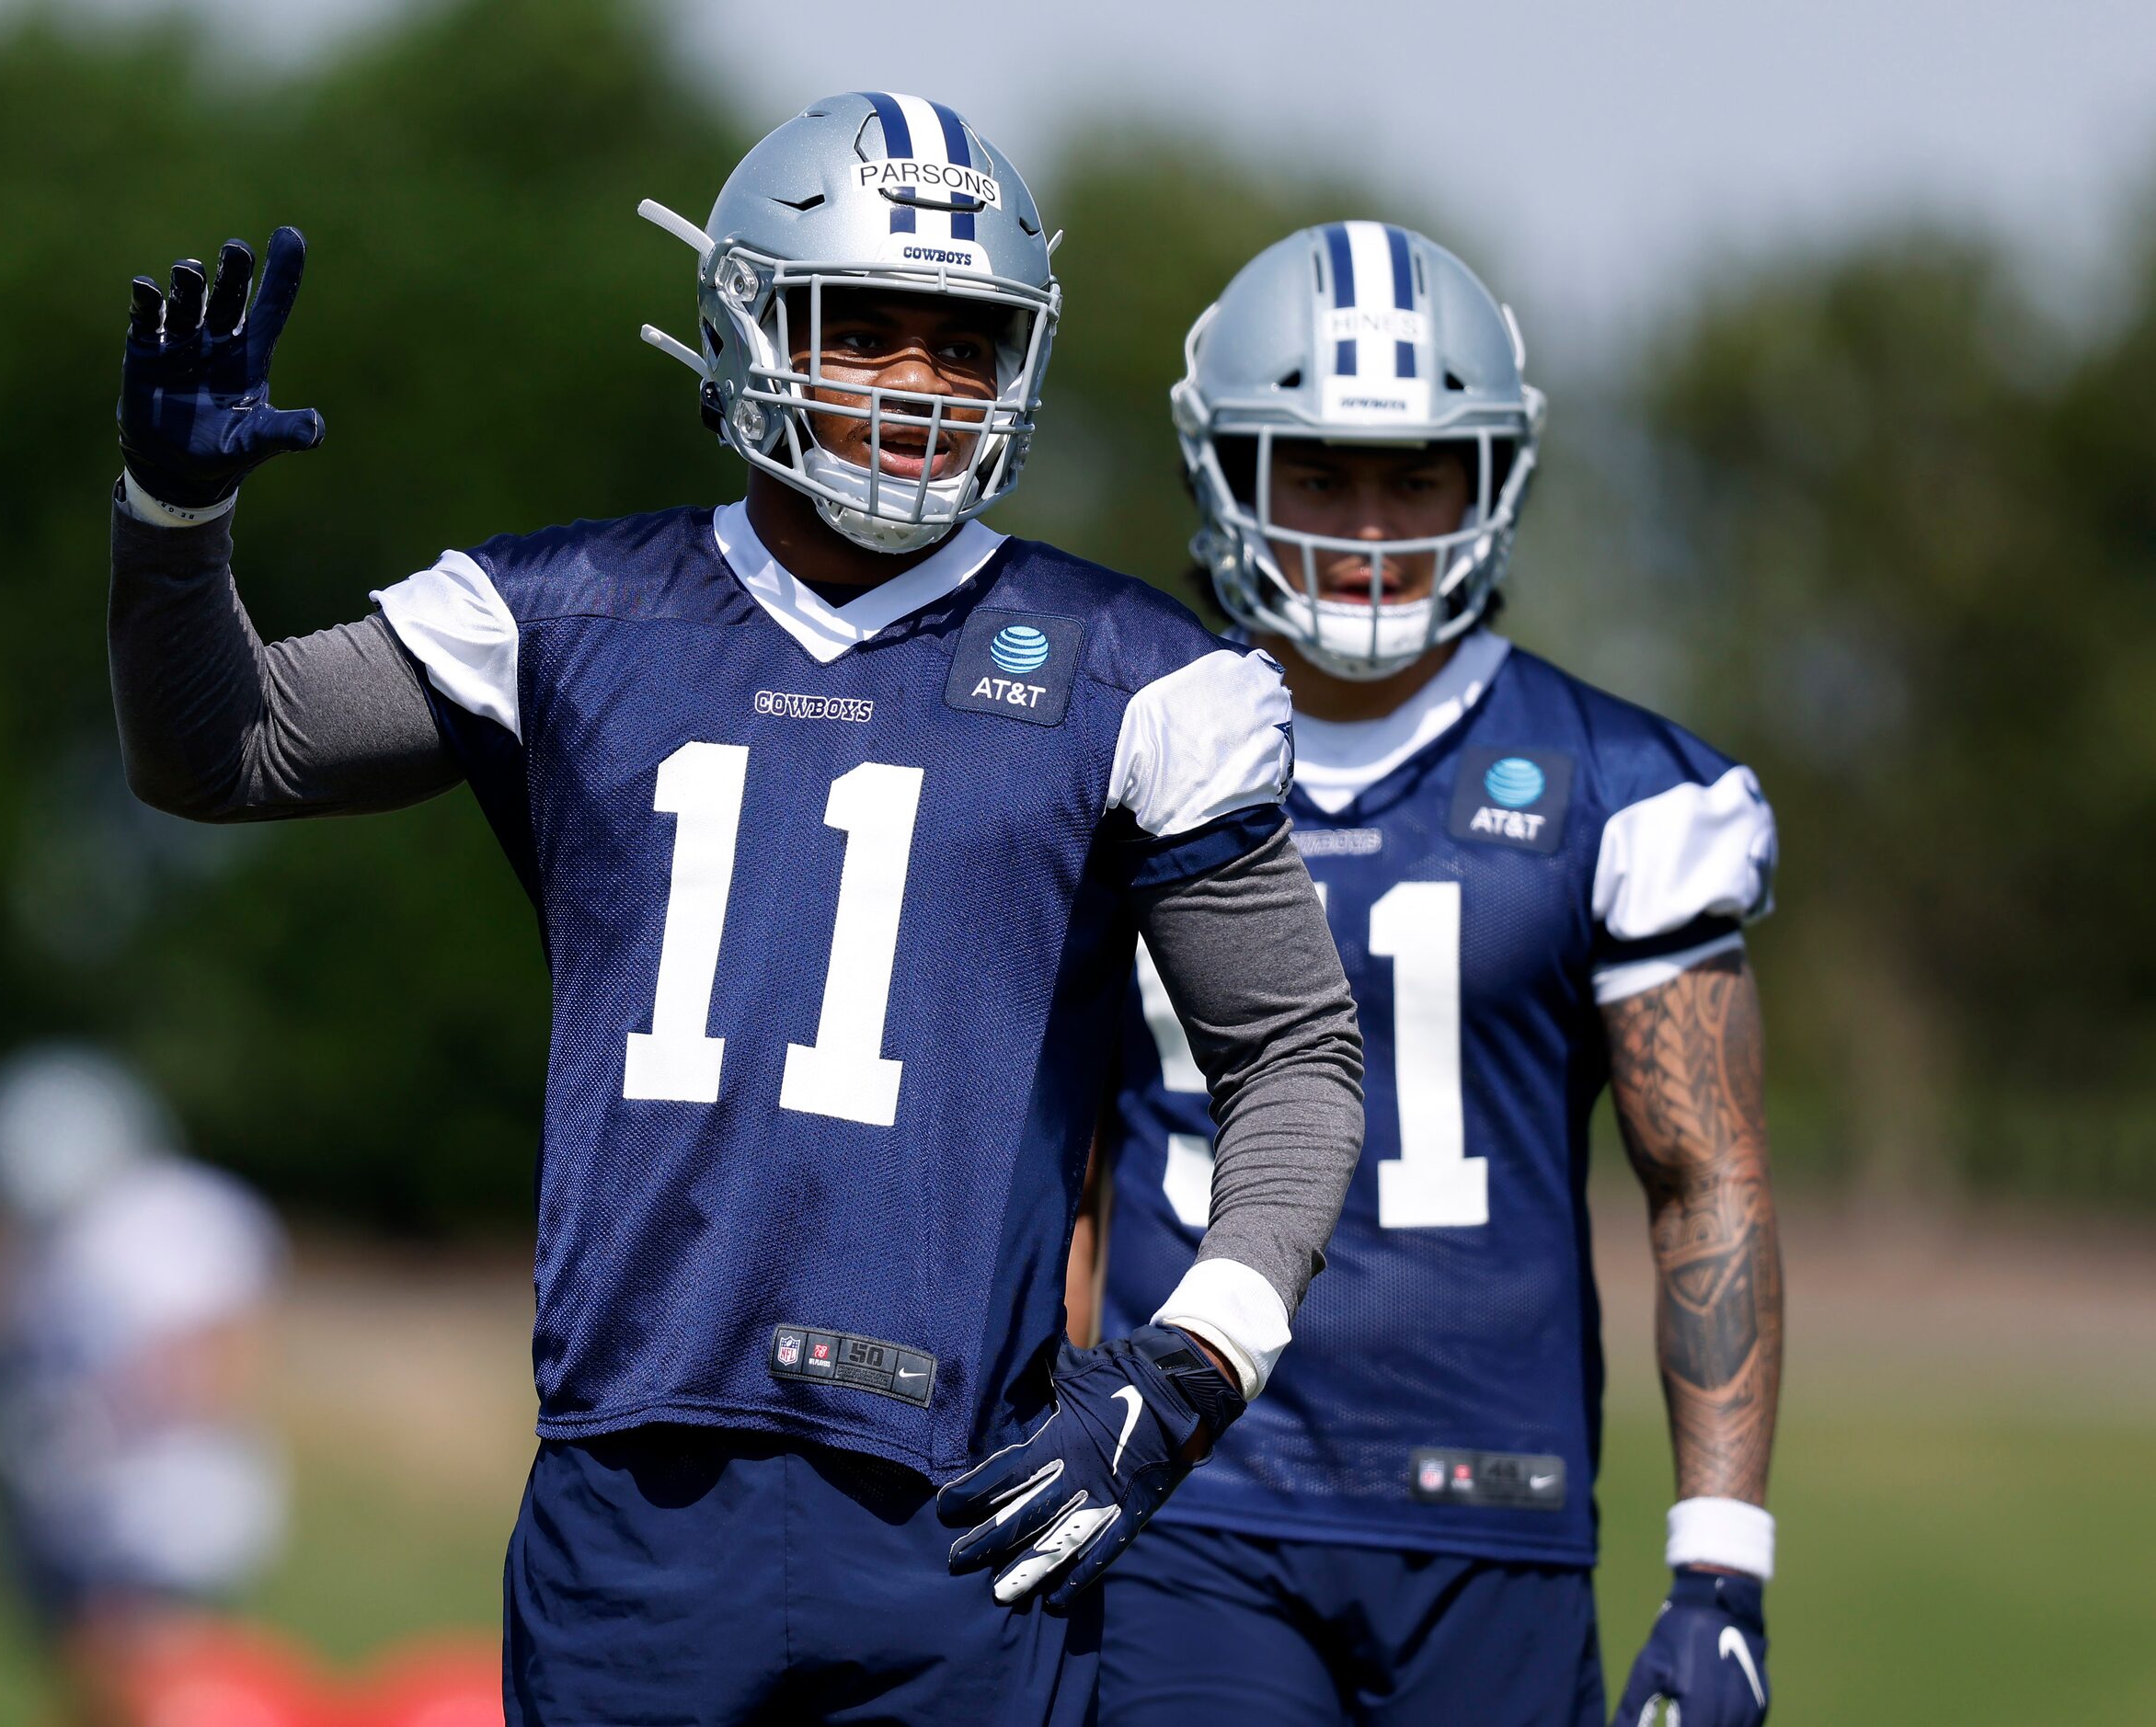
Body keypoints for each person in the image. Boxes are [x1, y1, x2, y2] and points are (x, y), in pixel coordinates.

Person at [105, 94, 1365, 1724]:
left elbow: (1295, 1055)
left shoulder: (1133, 676)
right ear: (751, 317)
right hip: (636, 1494)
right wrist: (172, 522)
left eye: (965, 342)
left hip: (959, 1507)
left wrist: (1193, 1361)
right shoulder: (563, 614)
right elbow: (226, 747)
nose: (918, 384)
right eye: (869, 328)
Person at [1080, 223, 1783, 1726]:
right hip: (1194, 1496)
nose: (1370, 523)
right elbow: (1056, 1149)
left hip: (1496, 1508)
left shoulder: (1626, 788)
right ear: (1230, 469)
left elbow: (1703, 1177)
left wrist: (1719, 1564)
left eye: (1416, 474)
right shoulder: (1127, 742)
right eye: (1319, 470)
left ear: (1490, 480)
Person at [0, 1044, 288, 1725]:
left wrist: (99, 1419)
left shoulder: (170, 1217)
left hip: (165, 1514)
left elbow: (220, 1351)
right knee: (95, 1686)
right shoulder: (54, 1242)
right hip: (87, 1513)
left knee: (159, 1688)